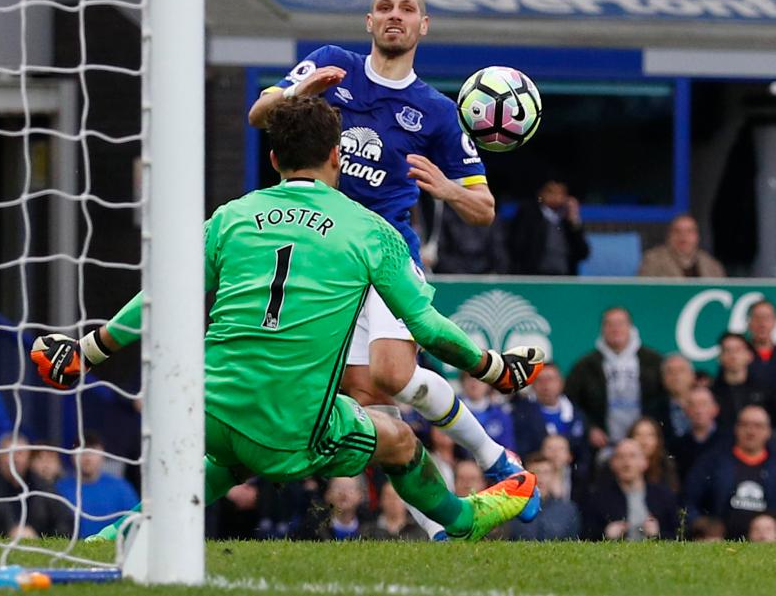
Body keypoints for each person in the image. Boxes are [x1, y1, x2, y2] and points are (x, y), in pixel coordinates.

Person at [32, 97, 542, 543]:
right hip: (290, 429)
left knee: (232, 455)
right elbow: (427, 328)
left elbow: (163, 295)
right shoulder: (370, 230)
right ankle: (459, 520)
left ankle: (116, 536)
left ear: (273, 159)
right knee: (399, 438)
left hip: (203, 410)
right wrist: (493, 368)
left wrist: (87, 351)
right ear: (337, 157)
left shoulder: (231, 216)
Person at [246, 0, 539, 529]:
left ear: (422, 26)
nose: (395, 15)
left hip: (387, 252)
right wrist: (300, 93)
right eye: (385, 7)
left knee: (388, 374)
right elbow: (259, 114)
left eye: (406, 8)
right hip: (324, 255)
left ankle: (493, 458)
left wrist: (448, 187)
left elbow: (484, 209)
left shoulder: (437, 111)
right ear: (370, 20)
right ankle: (444, 523)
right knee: (372, 394)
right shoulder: (335, 63)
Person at [565, 307, 665, 450]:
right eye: (609, 324)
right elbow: (571, 401)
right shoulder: (585, 366)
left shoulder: (653, 361)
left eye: (620, 323)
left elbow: (663, 399)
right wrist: (590, 428)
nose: (615, 329)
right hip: (604, 445)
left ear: (630, 327)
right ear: (602, 329)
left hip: (645, 446)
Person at [684, 405, 776, 539]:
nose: (751, 431)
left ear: (768, 431)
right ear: (736, 429)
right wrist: (701, 523)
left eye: (758, 426)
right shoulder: (712, 462)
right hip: (719, 542)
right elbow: (688, 500)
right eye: (745, 425)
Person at [0, 434, 72, 537]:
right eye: (9, 453)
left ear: (28, 457)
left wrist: (38, 537)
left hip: (33, 548)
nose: (15, 459)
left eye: (20, 454)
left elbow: (65, 521)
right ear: (0, 456)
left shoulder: (41, 486)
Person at [581, 439, 677, 541]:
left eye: (632, 456)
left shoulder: (663, 496)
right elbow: (585, 537)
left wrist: (658, 534)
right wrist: (605, 535)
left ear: (644, 462)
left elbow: (681, 535)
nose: (626, 463)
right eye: (621, 457)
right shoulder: (598, 499)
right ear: (612, 464)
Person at [54, 432, 139, 539]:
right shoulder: (59, 489)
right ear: (72, 456)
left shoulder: (120, 487)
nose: (87, 458)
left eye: (92, 451)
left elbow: (135, 521)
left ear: (103, 455)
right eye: (82, 452)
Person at [507, 179, 589, 276]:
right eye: (551, 192)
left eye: (561, 193)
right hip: (532, 277)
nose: (557, 197)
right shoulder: (528, 214)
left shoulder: (568, 219)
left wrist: (574, 221)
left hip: (564, 278)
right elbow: (516, 247)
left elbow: (583, 253)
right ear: (540, 193)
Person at [507, 454, 580, 541]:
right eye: (535, 472)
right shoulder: (512, 509)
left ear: (553, 476)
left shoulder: (568, 510)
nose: (540, 478)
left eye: (546, 473)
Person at [712, 332, 772, 430]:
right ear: (720, 357)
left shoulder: (766, 389)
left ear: (749, 356)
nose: (733, 355)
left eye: (737, 350)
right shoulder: (712, 394)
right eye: (727, 350)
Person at [638, 213, 725, 278]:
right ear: (669, 236)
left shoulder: (712, 265)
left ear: (697, 236)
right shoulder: (652, 260)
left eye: (689, 231)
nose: (683, 236)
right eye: (677, 231)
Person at [667, 387, 724, 484]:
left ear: (715, 409)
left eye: (703, 404)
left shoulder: (727, 442)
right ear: (686, 411)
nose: (698, 410)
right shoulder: (677, 446)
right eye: (693, 405)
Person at [458, 373, 516, 452]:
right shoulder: (454, 411)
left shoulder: (501, 415)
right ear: (462, 382)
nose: (474, 383)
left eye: (479, 379)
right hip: (463, 462)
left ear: (488, 384)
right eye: (469, 378)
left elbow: (508, 447)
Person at [627, 416, 680, 494]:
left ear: (658, 440)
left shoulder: (666, 467)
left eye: (649, 435)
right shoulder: (620, 465)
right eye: (638, 435)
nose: (644, 441)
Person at [656, 354, 696, 441]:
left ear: (692, 376)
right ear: (663, 378)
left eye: (681, 370)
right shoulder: (654, 411)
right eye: (670, 371)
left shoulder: (709, 404)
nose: (676, 376)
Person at [747, 299, 776, 387]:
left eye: (767, 318)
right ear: (749, 322)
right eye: (757, 318)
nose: (762, 323)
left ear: (774, 322)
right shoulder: (740, 356)